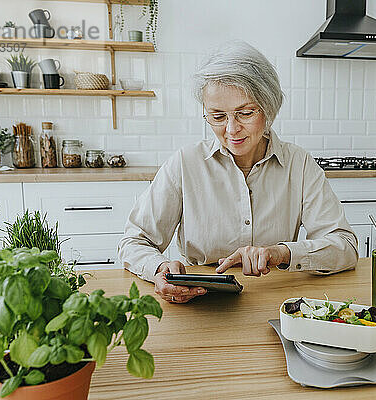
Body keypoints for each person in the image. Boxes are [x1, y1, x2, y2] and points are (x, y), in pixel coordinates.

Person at [118, 41, 358, 303]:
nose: (232, 130)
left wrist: (282, 253)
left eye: (245, 113)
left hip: (275, 301)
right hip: (199, 302)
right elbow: (134, 241)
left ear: (268, 109)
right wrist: (159, 269)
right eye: (218, 116)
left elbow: (344, 246)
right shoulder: (185, 163)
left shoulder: (298, 164)